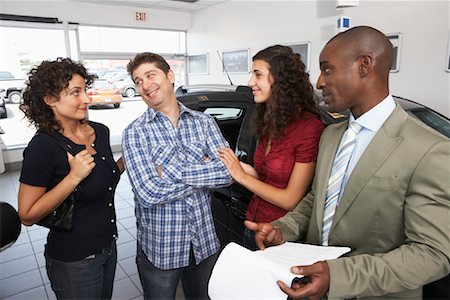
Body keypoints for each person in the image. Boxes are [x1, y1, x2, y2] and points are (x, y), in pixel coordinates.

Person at [246, 26, 450, 299]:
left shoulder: (429, 149)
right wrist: (284, 228)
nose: (319, 82)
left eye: (327, 69)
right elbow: (318, 200)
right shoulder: (331, 135)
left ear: (364, 65)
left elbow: (432, 254)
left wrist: (339, 276)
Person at [122, 52, 232, 300]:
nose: (145, 85)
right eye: (138, 81)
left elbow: (227, 173)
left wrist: (169, 171)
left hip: (203, 242)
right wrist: (204, 170)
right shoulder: (134, 133)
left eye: (150, 75)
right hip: (161, 248)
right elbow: (149, 193)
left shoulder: (204, 123)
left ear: (170, 75)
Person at [18, 58, 124, 299]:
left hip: (108, 247)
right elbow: (26, 214)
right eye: (75, 93)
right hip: (74, 261)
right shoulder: (43, 147)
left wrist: (127, 159)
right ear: (49, 99)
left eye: (85, 90)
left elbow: (106, 181)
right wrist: (73, 177)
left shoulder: (100, 131)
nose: (86, 99)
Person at [218, 45, 324, 250]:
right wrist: (236, 166)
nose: (250, 82)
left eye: (258, 75)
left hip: (279, 235)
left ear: (280, 79)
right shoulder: (271, 121)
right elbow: (267, 178)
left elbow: (290, 199)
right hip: (252, 223)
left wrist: (242, 176)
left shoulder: (309, 128)